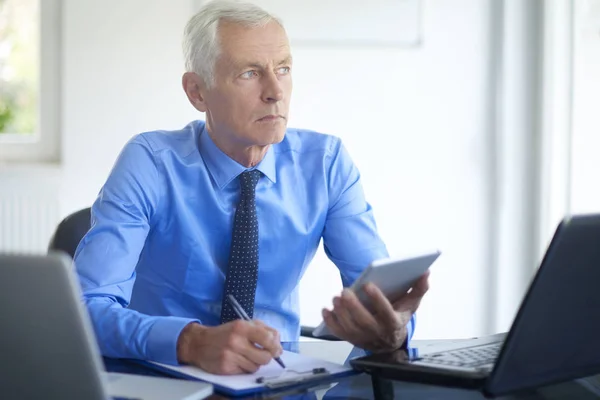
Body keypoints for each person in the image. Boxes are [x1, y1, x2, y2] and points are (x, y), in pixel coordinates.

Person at [74, 0, 429, 376]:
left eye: (284, 69)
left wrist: (395, 329)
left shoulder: (325, 164)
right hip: (163, 378)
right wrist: (190, 341)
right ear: (197, 91)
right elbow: (84, 305)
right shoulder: (150, 162)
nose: (275, 91)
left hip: (278, 378)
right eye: (249, 73)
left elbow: (378, 297)